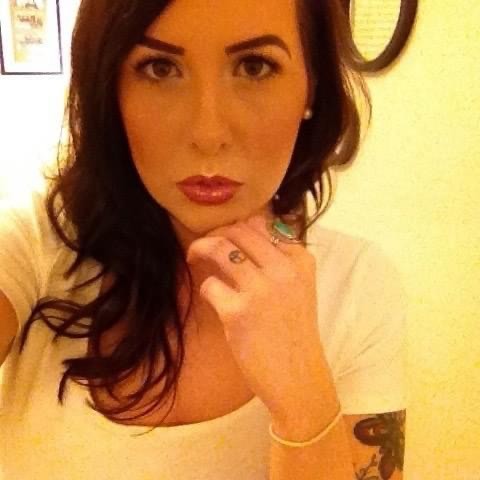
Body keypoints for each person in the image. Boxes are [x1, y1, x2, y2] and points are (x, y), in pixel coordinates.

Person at [0, 1, 408, 479]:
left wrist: (302, 397)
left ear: (311, 87)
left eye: (254, 66)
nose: (208, 134)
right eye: (159, 68)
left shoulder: (358, 287)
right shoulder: (38, 247)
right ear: (110, 89)